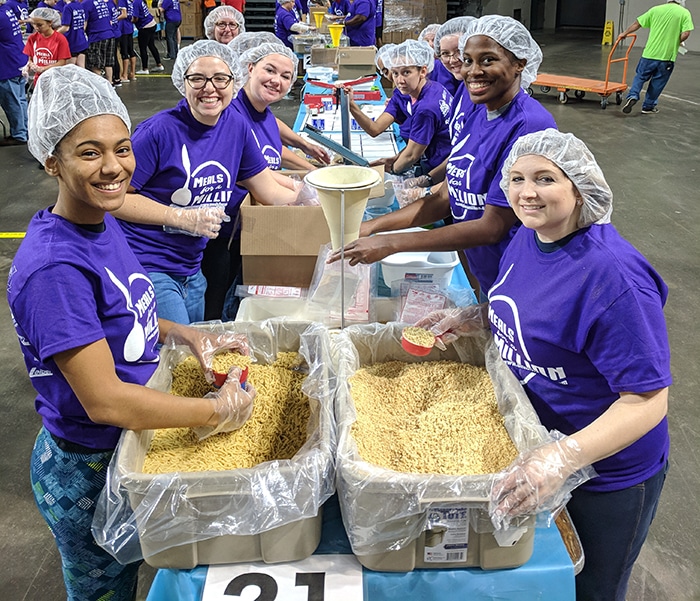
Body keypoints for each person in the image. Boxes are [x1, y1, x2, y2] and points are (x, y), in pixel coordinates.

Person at [7, 64, 255, 601]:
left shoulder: (103, 223)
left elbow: (128, 315)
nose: (114, 167)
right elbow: (105, 401)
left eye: (122, 148)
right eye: (89, 152)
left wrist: (188, 336)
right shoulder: (56, 269)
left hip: (132, 444)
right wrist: (217, 412)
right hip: (89, 466)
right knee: (105, 590)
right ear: (52, 160)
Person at [421, 128, 671, 601]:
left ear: (579, 188)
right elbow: (528, 307)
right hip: (534, 446)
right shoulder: (527, 237)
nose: (525, 192)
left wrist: (564, 458)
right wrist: (475, 318)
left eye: (545, 179)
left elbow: (647, 400)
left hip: (605, 473)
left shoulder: (613, 280)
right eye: (515, 178)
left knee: (592, 585)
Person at [329, 15, 557, 299]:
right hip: (484, 267)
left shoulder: (527, 126)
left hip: (514, 276)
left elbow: (492, 227)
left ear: (520, 63)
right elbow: (446, 196)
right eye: (468, 60)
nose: (473, 71)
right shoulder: (480, 111)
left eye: (488, 60)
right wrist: (373, 227)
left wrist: (392, 243)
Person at [110, 40, 303, 325]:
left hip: (192, 268)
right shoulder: (158, 132)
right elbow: (114, 200)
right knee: (181, 355)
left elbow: (269, 189)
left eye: (220, 78)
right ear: (182, 82)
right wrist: (179, 217)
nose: (209, 88)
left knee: (190, 353)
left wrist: (321, 195)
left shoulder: (235, 126)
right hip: (149, 264)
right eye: (198, 78)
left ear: (234, 81)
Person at [201, 41, 323, 321]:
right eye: (270, 70)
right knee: (215, 307)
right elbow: (259, 180)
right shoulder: (231, 112)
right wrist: (306, 193)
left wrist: (305, 152)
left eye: (286, 76)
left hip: (249, 228)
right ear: (250, 68)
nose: (276, 80)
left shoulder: (262, 111)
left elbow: (268, 137)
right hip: (222, 231)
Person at [347, 39, 452, 177]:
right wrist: (395, 159)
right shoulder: (435, 88)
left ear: (423, 71)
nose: (399, 80)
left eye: (406, 72)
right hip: (438, 160)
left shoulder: (426, 108)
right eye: (394, 73)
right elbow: (376, 129)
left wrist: (391, 171)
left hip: (441, 169)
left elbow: (412, 155)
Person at [619, 0, 693, 115]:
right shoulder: (684, 12)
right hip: (667, 57)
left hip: (649, 54)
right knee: (657, 82)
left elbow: (637, 23)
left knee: (640, 76)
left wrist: (624, 33)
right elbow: (686, 33)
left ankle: (633, 95)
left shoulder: (655, 9)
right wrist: (678, 41)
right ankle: (648, 106)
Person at [0, 0, 28, 147]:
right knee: (21, 99)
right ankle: (25, 130)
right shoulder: (6, 9)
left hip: (6, 64)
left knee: (12, 102)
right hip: (18, 59)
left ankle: (19, 134)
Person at [23, 8, 71, 88]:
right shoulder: (32, 38)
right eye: (34, 24)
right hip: (38, 79)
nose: (36, 28)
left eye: (40, 25)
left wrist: (44, 68)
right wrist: (30, 65)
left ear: (50, 23)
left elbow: (62, 62)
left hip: (55, 80)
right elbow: (30, 58)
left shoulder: (60, 39)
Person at [83, 0, 117, 82]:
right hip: (110, 34)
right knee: (108, 63)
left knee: (95, 64)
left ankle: (100, 85)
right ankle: (110, 83)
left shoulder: (86, 4)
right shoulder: (101, 2)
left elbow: (84, 24)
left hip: (97, 35)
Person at [133, 0, 164, 74]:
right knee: (151, 45)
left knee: (143, 48)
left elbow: (135, 18)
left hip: (145, 26)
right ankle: (159, 64)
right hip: (152, 24)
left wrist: (129, 21)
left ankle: (145, 68)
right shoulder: (139, 1)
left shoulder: (135, 3)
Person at [58, 0, 89, 69]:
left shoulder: (68, 7)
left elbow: (66, 28)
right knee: (81, 69)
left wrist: (53, 34)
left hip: (72, 42)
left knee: (69, 70)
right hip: (82, 41)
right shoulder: (79, 5)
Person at [117, 0, 136, 81]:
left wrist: (114, 19)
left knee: (124, 51)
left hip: (123, 28)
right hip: (129, 27)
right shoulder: (130, 1)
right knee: (130, 50)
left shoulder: (122, 1)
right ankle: (132, 73)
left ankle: (124, 75)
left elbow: (124, 14)